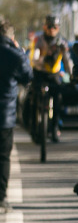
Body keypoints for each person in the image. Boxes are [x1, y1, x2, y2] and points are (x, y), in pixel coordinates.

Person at [0, 16, 33, 212]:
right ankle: (1, 197)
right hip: (5, 115)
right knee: (3, 157)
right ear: (11, 36)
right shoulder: (14, 54)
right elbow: (28, 76)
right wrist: (20, 51)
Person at [28, 15, 72, 141]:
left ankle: (54, 128)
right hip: (40, 72)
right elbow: (33, 59)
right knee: (34, 97)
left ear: (58, 28)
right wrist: (44, 58)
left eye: (55, 27)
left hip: (54, 74)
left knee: (58, 99)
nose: (52, 29)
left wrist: (72, 74)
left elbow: (67, 60)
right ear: (44, 27)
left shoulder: (62, 41)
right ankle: (34, 127)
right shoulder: (38, 39)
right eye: (49, 26)